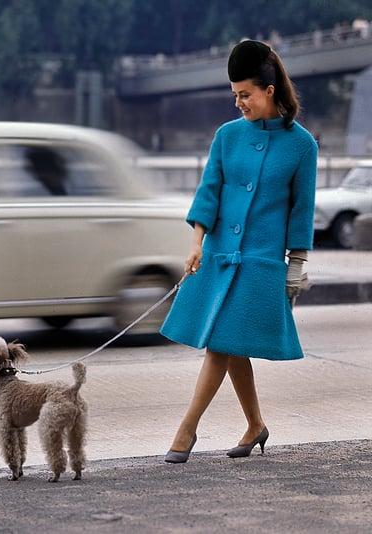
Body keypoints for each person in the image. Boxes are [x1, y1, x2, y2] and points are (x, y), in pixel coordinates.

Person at [160, 40, 318, 463]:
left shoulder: (302, 146)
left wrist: (296, 267)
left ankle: (186, 431)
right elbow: (208, 192)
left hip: (261, 263)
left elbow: (302, 211)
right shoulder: (226, 137)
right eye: (234, 95)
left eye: (244, 94)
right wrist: (195, 243)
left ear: (269, 90)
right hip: (218, 256)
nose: (238, 103)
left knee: (219, 345)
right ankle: (255, 425)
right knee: (229, 345)